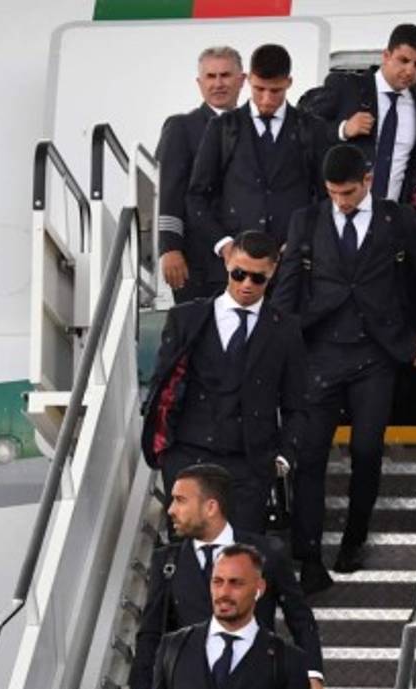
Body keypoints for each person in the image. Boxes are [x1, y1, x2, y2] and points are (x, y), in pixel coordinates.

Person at [271, 144, 416, 590]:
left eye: (348, 192)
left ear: (368, 180)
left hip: (377, 355)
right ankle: (310, 555)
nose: (341, 201)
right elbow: (287, 292)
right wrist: (279, 349)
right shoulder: (307, 220)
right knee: (309, 457)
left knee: (367, 450)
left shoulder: (398, 219)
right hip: (320, 354)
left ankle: (355, 535)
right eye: (333, 192)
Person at [130, 464, 325, 689]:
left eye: (180, 501)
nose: (171, 510)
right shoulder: (167, 562)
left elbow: (299, 616)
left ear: (210, 507)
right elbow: (150, 632)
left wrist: (312, 674)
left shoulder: (267, 552)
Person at [141, 230, 306, 531]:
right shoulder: (186, 319)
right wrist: (167, 455)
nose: (246, 284)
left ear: (273, 273)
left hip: (250, 463)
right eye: (239, 274)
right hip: (188, 456)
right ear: (227, 262)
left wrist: (283, 457)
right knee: (190, 560)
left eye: (258, 278)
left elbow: (296, 402)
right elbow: (161, 385)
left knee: (241, 560)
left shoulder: (286, 330)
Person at [138, 543, 319, 689]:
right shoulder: (173, 646)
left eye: (236, 583)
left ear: (259, 588)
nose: (224, 593)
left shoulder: (288, 661)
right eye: (217, 582)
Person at [187, 43, 335, 258]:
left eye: (275, 90)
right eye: (259, 89)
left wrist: (305, 239)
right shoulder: (222, 127)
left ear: (289, 82)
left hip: (294, 261)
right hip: (236, 264)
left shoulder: (313, 128)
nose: (266, 99)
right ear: (248, 81)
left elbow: (328, 196)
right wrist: (224, 245)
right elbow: (196, 196)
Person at [299, 24, 416, 217]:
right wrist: (343, 129)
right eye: (403, 60)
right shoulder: (348, 87)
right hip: (342, 214)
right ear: (386, 56)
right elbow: (304, 126)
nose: (409, 70)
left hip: (392, 217)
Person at [157, 46, 246, 303]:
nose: (218, 84)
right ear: (199, 83)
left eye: (225, 75)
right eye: (210, 76)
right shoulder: (182, 127)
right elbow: (170, 190)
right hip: (197, 262)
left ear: (242, 80)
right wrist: (170, 247)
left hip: (245, 260)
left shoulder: (253, 127)